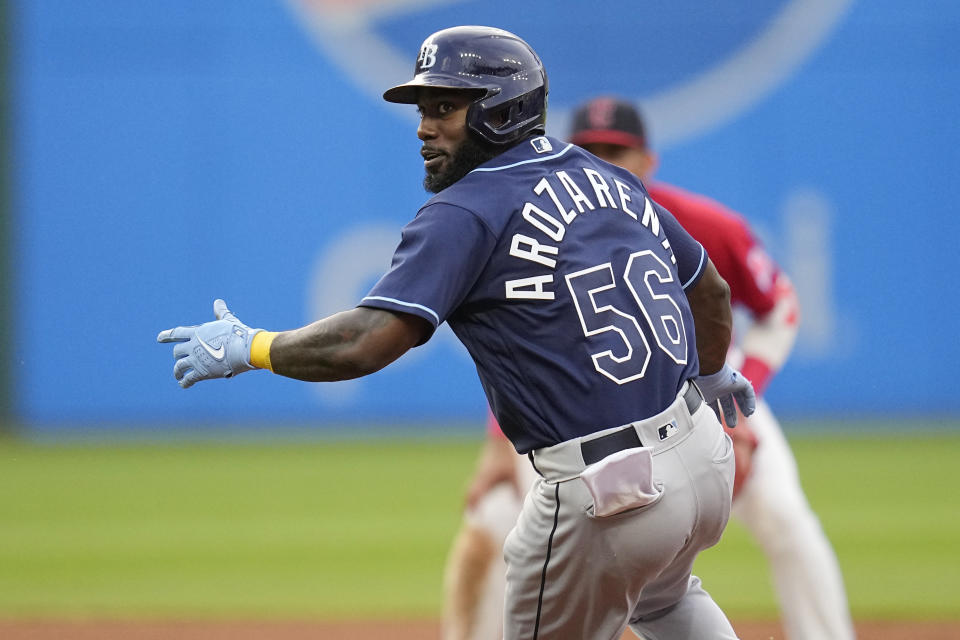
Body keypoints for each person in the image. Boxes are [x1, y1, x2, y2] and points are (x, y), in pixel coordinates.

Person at [158, 27, 756, 640]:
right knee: (664, 601)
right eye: (423, 109)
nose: (424, 127)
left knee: (632, 589)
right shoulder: (600, 174)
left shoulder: (467, 209)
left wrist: (254, 347)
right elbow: (708, 289)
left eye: (446, 106)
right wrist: (710, 374)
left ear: (502, 107)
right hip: (703, 460)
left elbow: (366, 341)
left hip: (610, 491)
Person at [441, 96, 854, 640]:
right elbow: (530, 353)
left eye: (620, 151)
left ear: (649, 163)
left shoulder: (701, 221)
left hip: (704, 387)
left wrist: (738, 397)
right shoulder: (538, 230)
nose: (606, 161)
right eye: (591, 150)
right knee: (497, 522)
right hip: (592, 404)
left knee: (784, 517)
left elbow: (777, 303)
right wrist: (498, 443)